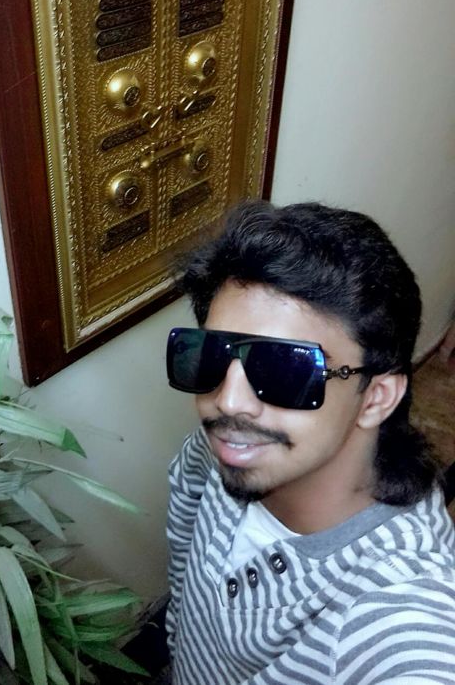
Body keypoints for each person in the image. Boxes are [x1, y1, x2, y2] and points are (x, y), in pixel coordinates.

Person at [165, 200, 455, 684]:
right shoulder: (219, 455)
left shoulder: (396, 610)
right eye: (211, 356)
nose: (228, 402)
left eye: (283, 368)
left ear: (376, 397)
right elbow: (183, 573)